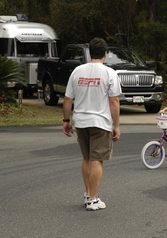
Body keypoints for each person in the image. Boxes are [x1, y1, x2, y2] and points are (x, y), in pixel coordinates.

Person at [62, 37, 122, 211]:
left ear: (89, 52)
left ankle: (89, 194)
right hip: (100, 122)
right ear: (105, 53)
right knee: (97, 160)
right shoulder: (109, 73)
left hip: (81, 121)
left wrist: (66, 121)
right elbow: (114, 101)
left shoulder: (77, 71)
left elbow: (67, 98)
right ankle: (93, 199)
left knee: (87, 157)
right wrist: (116, 125)